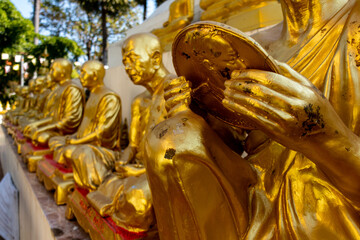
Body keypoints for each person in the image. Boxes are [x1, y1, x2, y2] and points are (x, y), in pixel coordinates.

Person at [144, 0, 360, 238]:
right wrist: (199, 118)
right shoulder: (252, 47)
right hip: (256, 195)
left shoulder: (354, 28)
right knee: (169, 143)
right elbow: (242, 144)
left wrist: (325, 139)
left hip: (328, 207)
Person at [85, 33, 177, 233]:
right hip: (138, 169)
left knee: (138, 200)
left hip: (167, 171)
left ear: (154, 58)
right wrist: (124, 161)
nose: (127, 67)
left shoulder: (176, 93)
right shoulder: (139, 102)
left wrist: (146, 171)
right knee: (103, 180)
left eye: (132, 60)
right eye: (125, 62)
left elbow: (177, 150)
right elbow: (133, 146)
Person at [48, 60, 122, 190]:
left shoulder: (109, 97)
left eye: (83, 73)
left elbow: (101, 132)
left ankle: (96, 184)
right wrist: (73, 138)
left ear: (94, 75)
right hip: (84, 143)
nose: (79, 77)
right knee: (55, 141)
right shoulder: (93, 94)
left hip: (102, 149)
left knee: (73, 151)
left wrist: (77, 142)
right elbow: (84, 127)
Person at [23, 58, 84, 147]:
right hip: (55, 127)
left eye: (53, 70)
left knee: (41, 137)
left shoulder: (71, 89)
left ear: (63, 72)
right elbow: (53, 117)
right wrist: (37, 124)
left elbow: (71, 119)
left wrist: (44, 128)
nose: (50, 73)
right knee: (30, 129)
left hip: (65, 132)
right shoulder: (59, 89)